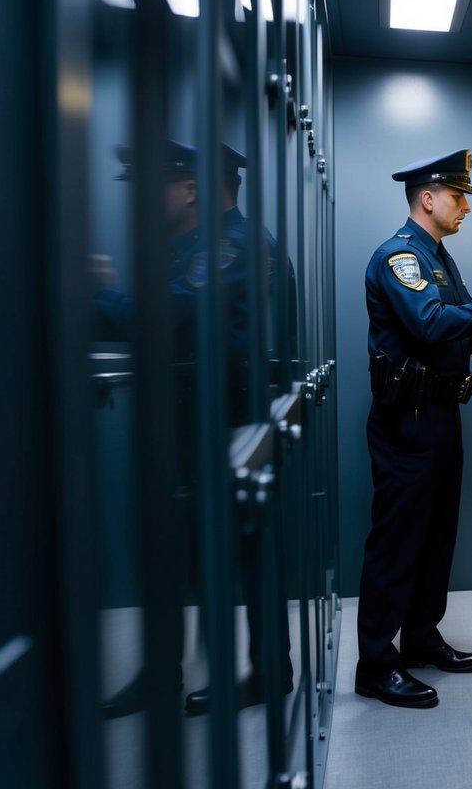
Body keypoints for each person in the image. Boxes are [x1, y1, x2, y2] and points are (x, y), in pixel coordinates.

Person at [93, 140, 293, 717]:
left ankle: (268, 672)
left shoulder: (230, 246)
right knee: (185, 550)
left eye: (158, 184)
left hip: (223, 422)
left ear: (191, 189)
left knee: (244, 550)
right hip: (197, 421)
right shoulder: (198, 246)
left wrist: (96, 297)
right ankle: (166, 673)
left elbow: (167, 314)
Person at [355, 149, 472, 708]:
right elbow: (429, 319)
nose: (465, 207)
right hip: (406, 421)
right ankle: (375, 663)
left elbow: (451, 326)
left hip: (438, 415)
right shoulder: (399, 258)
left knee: (436, 534)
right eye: (458, 197)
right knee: (398, 541)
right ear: (427, 199)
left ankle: (420, 637)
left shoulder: (439, 257)